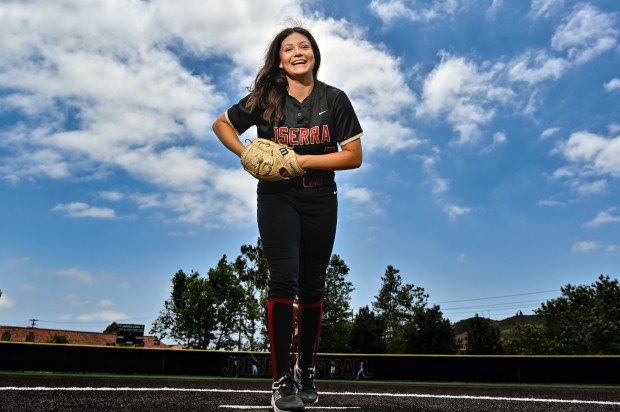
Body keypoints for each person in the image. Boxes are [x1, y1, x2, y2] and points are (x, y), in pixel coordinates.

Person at [213, 26, 363, 412]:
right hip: (277, 198)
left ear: (314, 53)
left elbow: (353, 155)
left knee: (313, 286)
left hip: (320, 198)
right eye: (288, 48)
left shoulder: (335, 99)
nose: (298, 52)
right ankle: (281, 382)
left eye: (304, 46)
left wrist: (302, 160)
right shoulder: (267, 98)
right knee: (283, 279)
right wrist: (245, 154)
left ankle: (306, 370)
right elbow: (222, 124)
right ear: (279, 60)